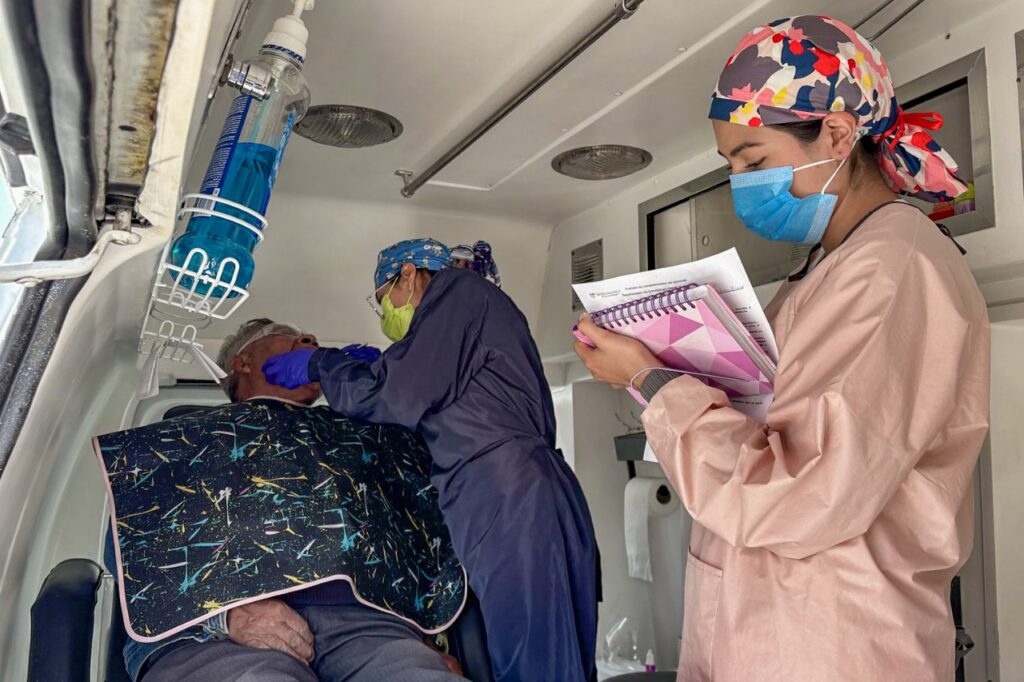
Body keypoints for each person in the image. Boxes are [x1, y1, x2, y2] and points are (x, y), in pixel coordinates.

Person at [574, 16, 989, 681]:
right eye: (732, 166)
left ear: (837, 134)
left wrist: (653, 382)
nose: (741, 184)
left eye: (753, 161)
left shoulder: (894, 272)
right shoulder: (825, 271)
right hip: (776, 632)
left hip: (837, 645)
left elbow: (803, 494)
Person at [263, 239, 599, 682]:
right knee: (533, 647)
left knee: (535, 655)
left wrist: (322, 364)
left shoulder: (459, 291)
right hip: (507, 493)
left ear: (407, 273)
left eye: (383, 300)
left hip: (508, 492)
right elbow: (416, 388)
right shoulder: (465, 315)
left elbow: (397, 393)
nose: (385, 315)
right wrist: (372, 367)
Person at [104, 319, 464, 682]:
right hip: (214, 630)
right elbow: (135, 547)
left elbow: (416, 532)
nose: (309, 338)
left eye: (310, 337)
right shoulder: (176, 442)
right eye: (286, 334)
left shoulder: (361, 437)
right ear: (242, 362)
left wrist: (428, 637)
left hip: (367, 621)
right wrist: (224, 616)